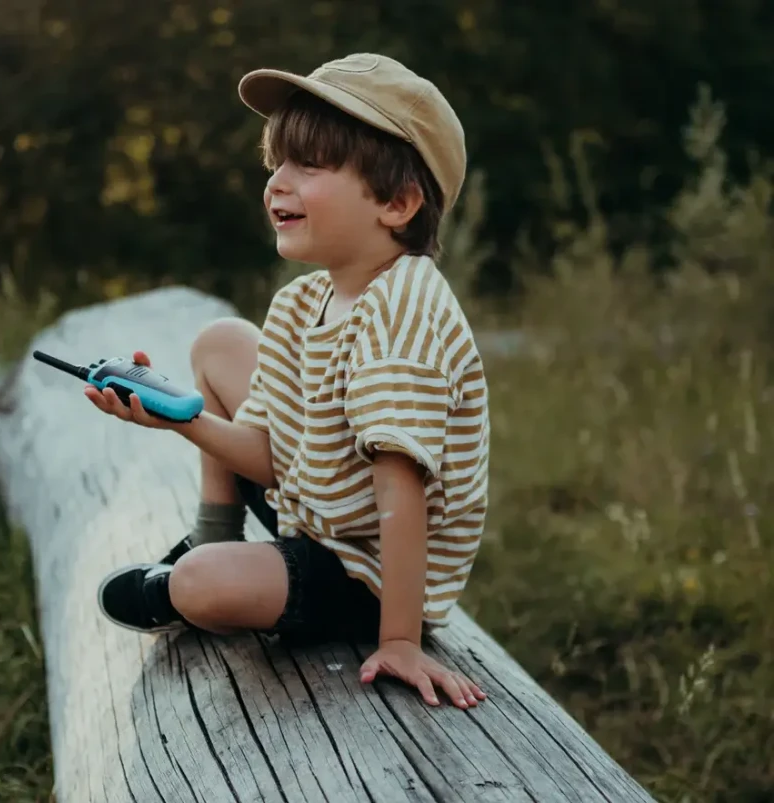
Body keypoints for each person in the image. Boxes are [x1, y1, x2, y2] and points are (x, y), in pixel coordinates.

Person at [86, 53, 490, 710]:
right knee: (220, 342)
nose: (277, 183)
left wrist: (401, 638)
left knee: (199, 584)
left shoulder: (404, 315)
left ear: (397, 203)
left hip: (369, 572)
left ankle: (188, 583)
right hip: (317, 508)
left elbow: (402, 491)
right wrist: (179, 419)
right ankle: (215, 533)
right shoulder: (303, 303)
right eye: (276, 162)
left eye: (309, 165)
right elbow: (271, 455)